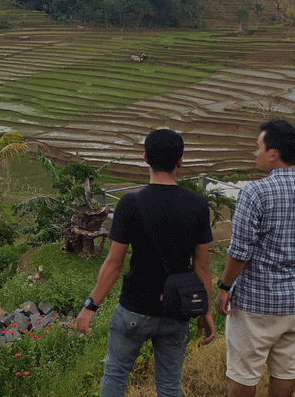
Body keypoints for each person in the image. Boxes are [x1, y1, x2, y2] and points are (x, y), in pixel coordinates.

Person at [74, 128, 215, 397]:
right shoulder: (198, 205)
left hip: (134, 310)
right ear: (181, 161)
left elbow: (114, 264)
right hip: (177, 309)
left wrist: (90, 306)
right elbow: (202, 266)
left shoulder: (130, 204)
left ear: (145, 158)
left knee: (115, 374)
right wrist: (205, 311)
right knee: (170, 384)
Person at [214, 120, 295, 397]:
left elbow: (240, 250)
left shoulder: (254, 193)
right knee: (286, 370)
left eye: (258, 147)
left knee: (244, 372)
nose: (255, 153)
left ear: (273, 153)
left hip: (256, 304)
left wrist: (224, 287)